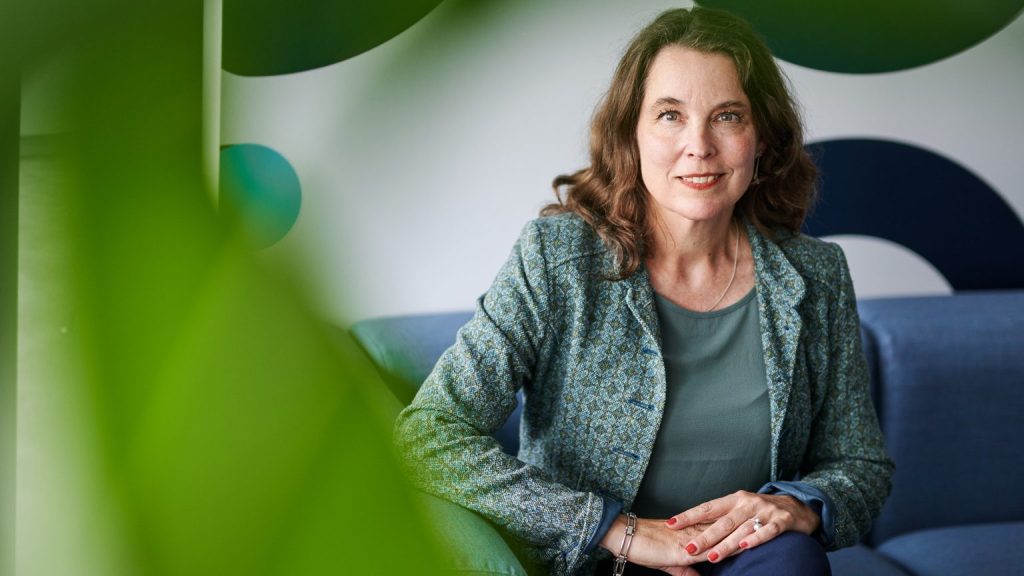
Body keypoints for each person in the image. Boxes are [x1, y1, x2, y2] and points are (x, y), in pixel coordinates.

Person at [394, 7, 893, 576]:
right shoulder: (557, 259)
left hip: (742, 558)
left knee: (793, 558)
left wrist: (798, 507)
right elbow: (428, 435)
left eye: (727, 116)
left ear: (761, 137)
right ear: (631, 133)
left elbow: (860, 464)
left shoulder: (817, 273)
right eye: (670, 115)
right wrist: (617, 531)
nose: (699, 145)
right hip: (595, 560)